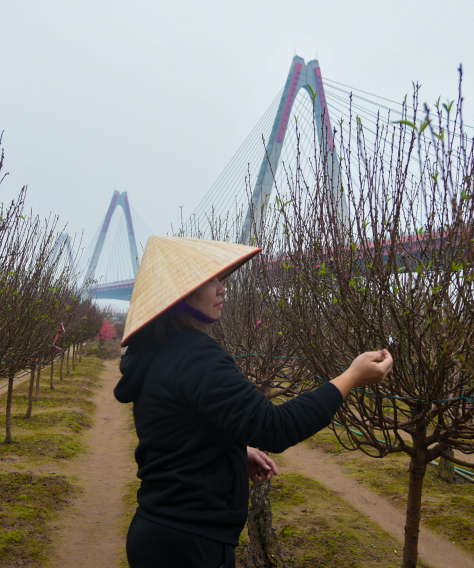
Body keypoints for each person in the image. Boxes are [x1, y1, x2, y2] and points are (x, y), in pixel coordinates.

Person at [114, 236, 393, 568]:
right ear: (182, 293)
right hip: (189, 545)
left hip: (165, 533)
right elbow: (275, 428)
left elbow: (175, 432)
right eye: (212, 280)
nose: (222, 289)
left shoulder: (158, 353)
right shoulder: (195, 355)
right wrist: (351, 377)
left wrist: (231, 451)